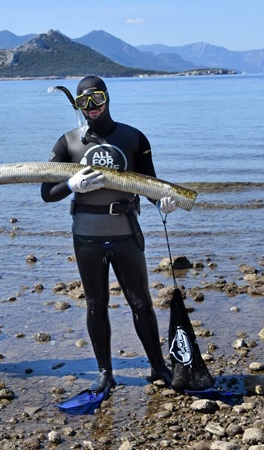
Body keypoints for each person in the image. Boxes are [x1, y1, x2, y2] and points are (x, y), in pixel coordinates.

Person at [41, 75, 180, 395]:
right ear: (75, 105)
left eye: (97, 100)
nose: (91, 108)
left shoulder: (134, 138)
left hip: (125, 233)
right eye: (83, 103)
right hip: (86, 236)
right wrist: (70, 186)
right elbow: (47, 193)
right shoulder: (68, 143)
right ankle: (105, 372)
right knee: (95, 304)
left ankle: (158, 367)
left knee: (141, 303)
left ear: (107, 98)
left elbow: (150, 183)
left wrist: (164, 201)